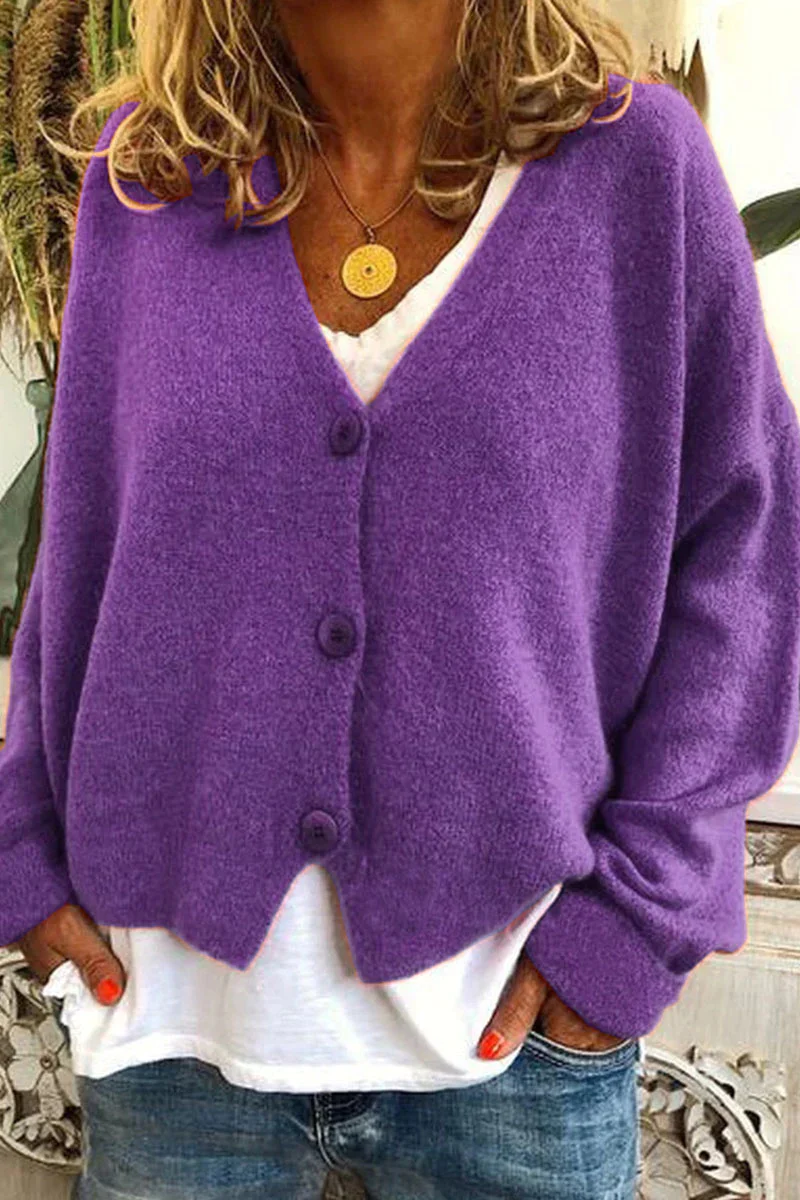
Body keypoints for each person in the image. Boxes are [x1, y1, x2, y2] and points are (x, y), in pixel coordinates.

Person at [4, 1, 800, 1197]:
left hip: (513, 1058)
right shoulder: (148, 178)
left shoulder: (633, 170)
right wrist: (20, 852)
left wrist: (633, 925)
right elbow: (81, 546)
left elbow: (742, 554)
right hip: (174, 1043)